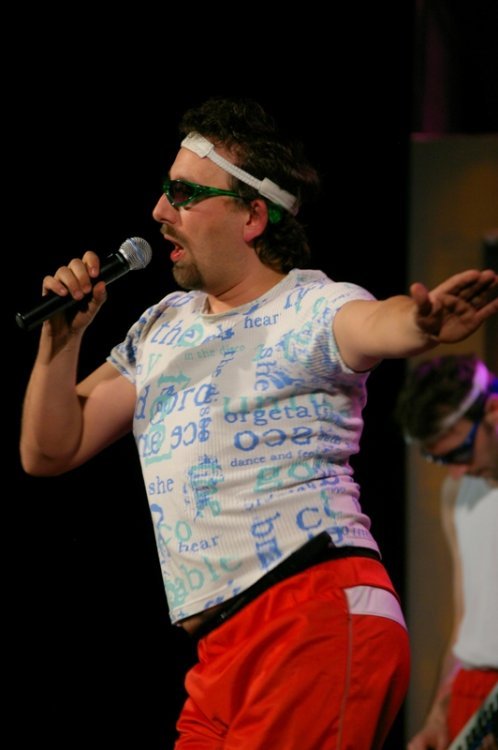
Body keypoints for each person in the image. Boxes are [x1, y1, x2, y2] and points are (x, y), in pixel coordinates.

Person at [19, 97, 498, 750]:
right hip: (222, 651)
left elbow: (376, 323)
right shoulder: (162, 327)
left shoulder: (312, 306)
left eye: (186, 193)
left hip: (313, 612)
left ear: (252, 216)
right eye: (166, 189)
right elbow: (51, 450)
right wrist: (61, 342)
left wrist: (420, 324)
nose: (160, 210)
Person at [396, 354, 498, 750]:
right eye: (440, 460)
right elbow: (464, 618)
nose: (456, 471)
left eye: (459, 453)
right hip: (471, 693)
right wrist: (439, 715)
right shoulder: (456, 492)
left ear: (492, 410)